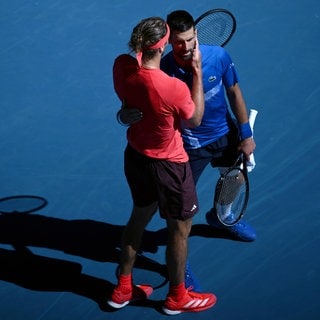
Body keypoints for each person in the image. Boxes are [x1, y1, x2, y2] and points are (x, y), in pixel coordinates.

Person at [108, 16, 216, 315]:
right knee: (179, 231)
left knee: (138, 219)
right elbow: (194, 118)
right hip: (170, 165)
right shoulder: (171, 88)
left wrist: (125, 113)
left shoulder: (121, 66)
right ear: (164, 44)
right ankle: (177, 297)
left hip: (136, 157)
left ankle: (123, 288)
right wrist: (195, 71)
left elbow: (129, 103)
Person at [161, 10, 257, 243]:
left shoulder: (219, 56)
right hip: (190, 146)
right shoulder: (165, 71)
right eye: (178, 42)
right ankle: (178, 265)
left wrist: (245, 134)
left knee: (236, 177)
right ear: (169, 41)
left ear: (196, 33)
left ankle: (222, 216)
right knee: (182, 212)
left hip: (225, 134)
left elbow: (234, 93)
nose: (185, 47)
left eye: (190, 39)